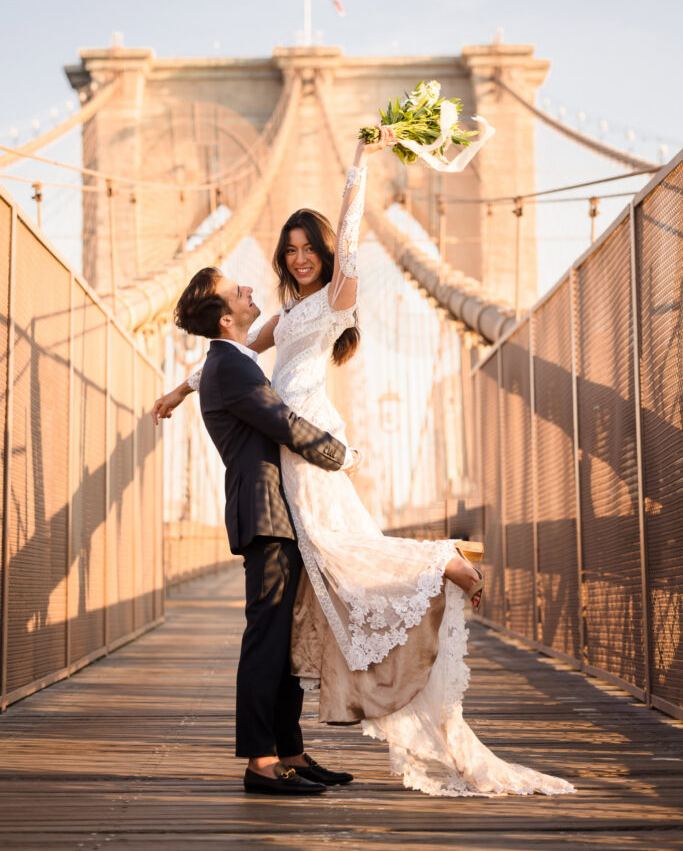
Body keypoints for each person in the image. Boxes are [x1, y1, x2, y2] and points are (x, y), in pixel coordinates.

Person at [154, 127, 575, 798]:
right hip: (294, 449)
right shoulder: (277, 320)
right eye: (287, 251)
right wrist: (179, 389)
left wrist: (359, 161)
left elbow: (346, 241)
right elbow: (225, 352)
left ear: (323, 253)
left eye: (306, 249)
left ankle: (438, 560)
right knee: (325, 573)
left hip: (308, 438)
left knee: (344, 551)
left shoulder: (336, 295)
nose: (297, 260)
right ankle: (284, 753)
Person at [166, 268, 358, 795]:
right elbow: (283, 423)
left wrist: (178, 390)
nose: (250, 289)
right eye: (239, 291)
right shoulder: (231, 367)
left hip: (282, 515)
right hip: (267, 518)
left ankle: (290, 753)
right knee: (266, 642)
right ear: (227, 317)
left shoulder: (227, 363)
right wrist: (340, 456)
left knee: (285, 639)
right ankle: (262, 763)